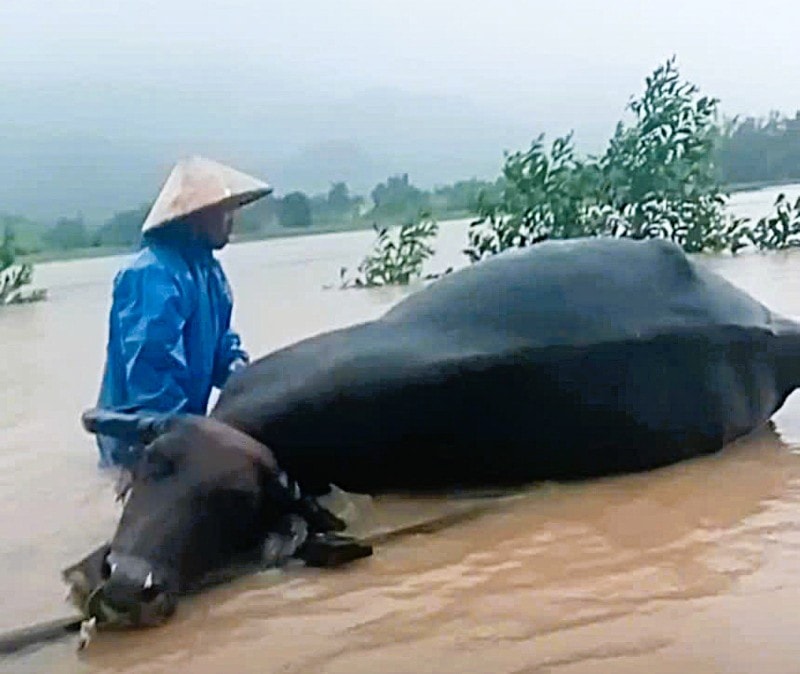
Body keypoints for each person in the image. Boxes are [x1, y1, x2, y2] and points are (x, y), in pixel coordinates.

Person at [93, 156, 272, 468]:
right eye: (223, 211)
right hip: (141, 444)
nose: (231, 219)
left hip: (184, 429)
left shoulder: (210, 273)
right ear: (195, 216)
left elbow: (223, 349)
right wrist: (186, 441)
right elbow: (153, 373)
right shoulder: (151, 274)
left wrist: (250, 384)